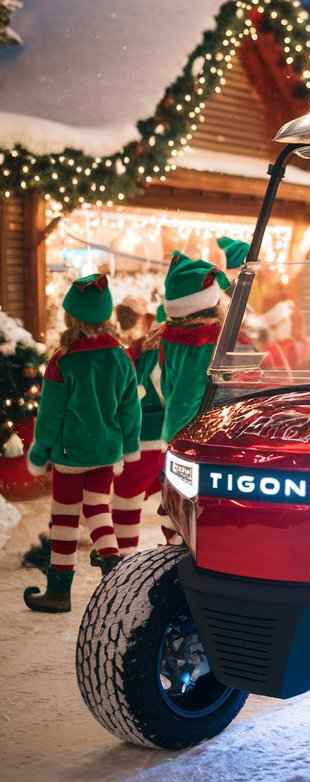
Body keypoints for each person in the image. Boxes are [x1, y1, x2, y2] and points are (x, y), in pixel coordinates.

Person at [23, 274, 141, 613]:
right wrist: (129, 445)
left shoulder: (64, 360)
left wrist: (40, 452)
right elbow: (129, 410)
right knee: (99, 510)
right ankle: (115, 573)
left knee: (64, 519)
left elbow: (50, 416)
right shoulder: (120, 358)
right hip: (107, 451)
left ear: (70, 317)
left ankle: (59, 591)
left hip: (71, 454)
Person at [156, 255, 225, 543]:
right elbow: (187, 393)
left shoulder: (171, 336)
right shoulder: (207, 339)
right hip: (200, 434)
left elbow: (171, 387)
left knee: (176, 500)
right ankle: (180, 558)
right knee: (192, 502)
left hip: (182, 430)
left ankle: (175, 552)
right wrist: (180, 437)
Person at [108, 302, 166, 558]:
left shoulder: (143, 351)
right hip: (172, 436)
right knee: (174, 502)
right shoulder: (184, 350)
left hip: (146, 435)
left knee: (126, 498)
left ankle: (124, 555)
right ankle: (175, 551)